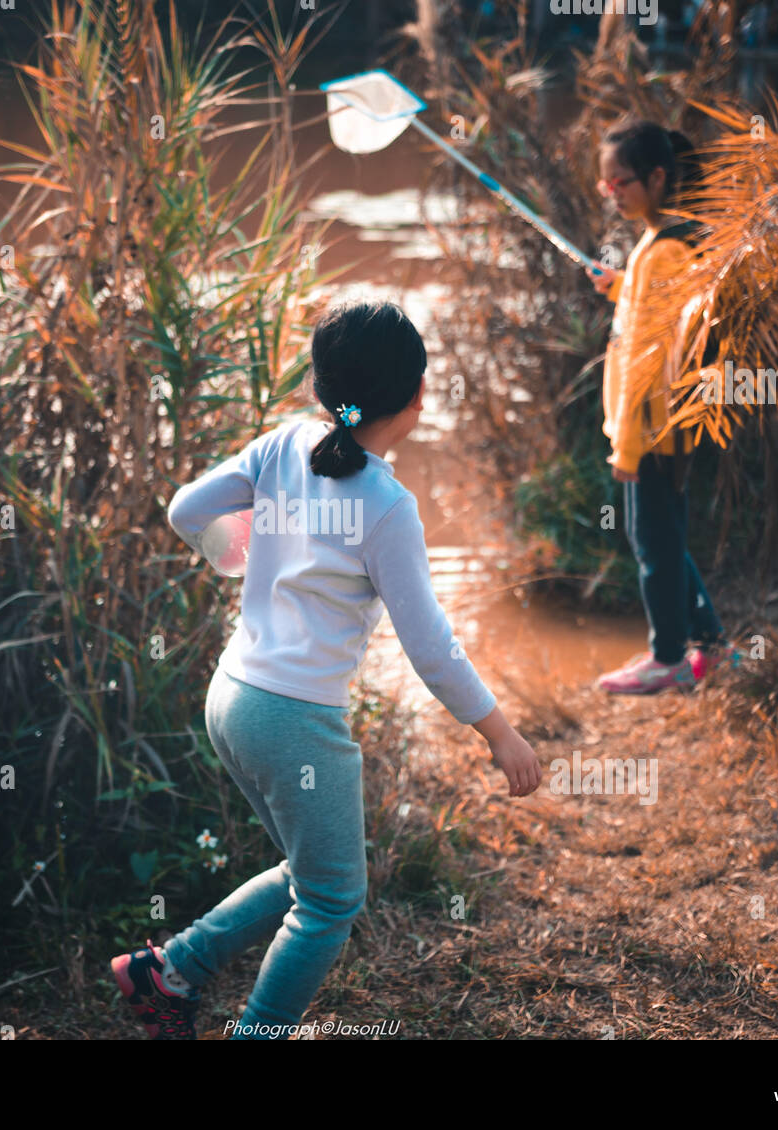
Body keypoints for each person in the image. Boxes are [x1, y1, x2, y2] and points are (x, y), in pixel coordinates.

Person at [110, 300, 541, 1039]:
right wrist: (501, 734)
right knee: (333, 900)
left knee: (305, 874)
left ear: (322, 385)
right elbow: (431, 646)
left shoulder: (282, 445)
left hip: (233, 696)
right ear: (415, 396)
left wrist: (240, 556)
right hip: (293, 720)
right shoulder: (387, 505)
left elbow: (186, 510)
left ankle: (169, 971)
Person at [589, 121, 736, 694]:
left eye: (619, 182)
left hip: (651, 431)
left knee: (651, 543)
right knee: (665, 539)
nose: (612, 193)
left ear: (656, 177)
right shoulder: (668, 242)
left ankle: (669, 657)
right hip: (667, 429)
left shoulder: (664, 249)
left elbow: (649, 364)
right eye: (605, 186)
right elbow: (657, 310)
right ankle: (713, 646)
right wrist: (620, 286)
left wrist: (627, 446)